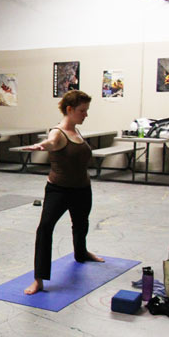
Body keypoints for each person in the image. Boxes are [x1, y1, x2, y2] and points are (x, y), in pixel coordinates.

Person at [22, 90, 104, 295]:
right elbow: (51, 142)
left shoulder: (77, 132)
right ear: (69, 109)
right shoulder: (58, 133)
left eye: (86, 110)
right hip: (59, 190)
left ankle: (81, 253)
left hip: (82, 189)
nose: (86, 115)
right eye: (82, 110)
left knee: (81, 224)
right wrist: (42, 146)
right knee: (45, 229)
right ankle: (39, 279)